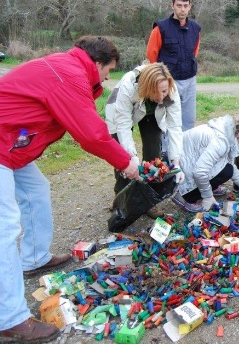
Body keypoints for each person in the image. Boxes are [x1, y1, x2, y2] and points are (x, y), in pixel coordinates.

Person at [0, 36, 139, 342]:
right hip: (2, 142)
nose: (107, 77)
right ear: (98, 63)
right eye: (108, 70)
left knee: (36, 190)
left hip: (11, 145)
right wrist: (126, 162)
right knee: (5, 227)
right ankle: (9, 318)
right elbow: (90, 134)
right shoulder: (70, 75)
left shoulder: (68, 67)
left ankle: (34, 258)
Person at [105, 62, 185, 218]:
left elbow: (175, 126)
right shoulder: (128, 85)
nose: (162, 97)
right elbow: (123, 125)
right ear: (148, 87)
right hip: (120, 114)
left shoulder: (170, 89)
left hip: (151, 114)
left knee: (154, 153)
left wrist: (176, 162)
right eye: (158, 92)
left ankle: (148, 200)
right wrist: (132, 159)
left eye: (164, 92)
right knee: (122, 159)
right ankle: (121, 201)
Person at [172, 115, 239, 212]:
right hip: (179, 172)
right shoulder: (220, 143)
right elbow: (199, 172)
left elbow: (228, 163)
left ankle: (208, 187)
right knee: (226, 171)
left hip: (187, 161)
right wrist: (208, 196)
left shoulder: (226, 132)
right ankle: (184, 196)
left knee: (227, 169)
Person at [146, 0, 201, 132]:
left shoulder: (196, 29)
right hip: (169, 82)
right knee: (168, 119)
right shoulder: (160, 28)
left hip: (190, 81)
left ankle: (185, 150)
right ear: (172, 6)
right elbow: (152, 56)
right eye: (179, 5)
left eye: (185, 6)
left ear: (190, 7)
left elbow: (194, 52)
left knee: (188, 120)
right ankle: (166, 152)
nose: (182, 9)